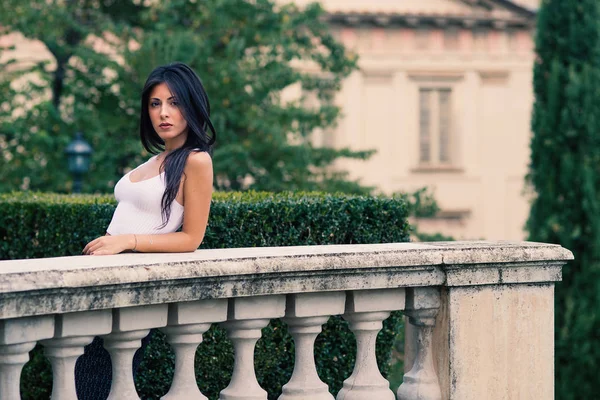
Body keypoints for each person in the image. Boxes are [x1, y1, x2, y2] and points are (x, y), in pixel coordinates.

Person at [75, 62, 216, 399]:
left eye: (174, 102)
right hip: (98, 285)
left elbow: (191, 239)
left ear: (192, 106)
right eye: (155, 104)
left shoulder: (196, 161)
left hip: (126, 291)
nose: (163, 113)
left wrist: (128, 241)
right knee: (83, 381)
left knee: (96, 385)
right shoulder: (154, 160)